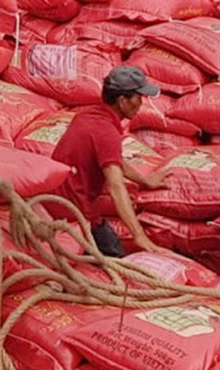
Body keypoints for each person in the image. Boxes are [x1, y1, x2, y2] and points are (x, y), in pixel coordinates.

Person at [51, 64, 171, 258]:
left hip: (56, 202)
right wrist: (139, 236)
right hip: (76, 213)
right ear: (123, 101)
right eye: (138, 97)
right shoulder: (106, 132)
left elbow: (113, 160)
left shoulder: (87, 116)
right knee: (117, 262)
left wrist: (145, 181)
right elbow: (115, 186)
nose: (141, 103)